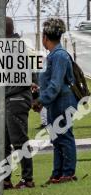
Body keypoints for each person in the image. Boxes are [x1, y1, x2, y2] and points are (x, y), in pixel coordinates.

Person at [36, 17, 78, 184]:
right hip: (56, 102)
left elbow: (56, 84)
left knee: (65, 137)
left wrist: (41, 100)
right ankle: (57, 173)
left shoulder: (59, 55)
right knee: (57, 138)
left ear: (45, 37)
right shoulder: (53, 55)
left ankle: (68, 173)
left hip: (63, 101)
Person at [0, 17, 35, 188]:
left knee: (19, 141)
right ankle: (5, 180)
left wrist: (4, 92)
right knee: (3, 142)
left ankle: (28, 179)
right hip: (9, 99)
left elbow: (23, 79)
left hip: (15, 99)